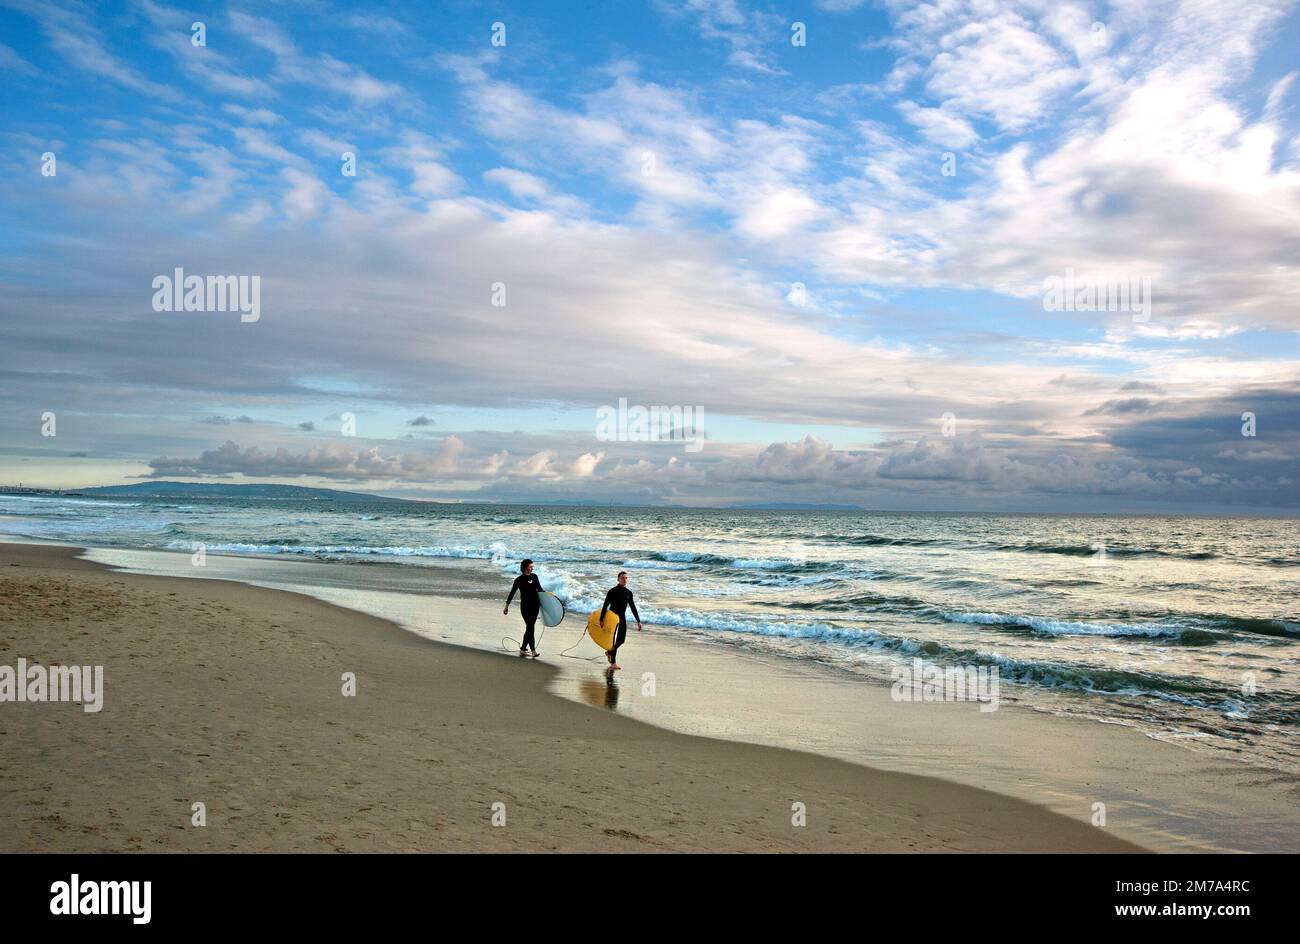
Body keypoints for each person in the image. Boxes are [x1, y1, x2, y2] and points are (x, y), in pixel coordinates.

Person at [599, 570, 642, 670]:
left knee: (621, 640)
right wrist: (602, 618)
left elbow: (633, 607)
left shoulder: (629, 593)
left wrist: (638, 621)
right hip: (612, 617)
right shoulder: (612, 591)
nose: (624, 579)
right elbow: (605, 605)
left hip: (622, 617)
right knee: (613, 640)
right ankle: (613, 663)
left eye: (626, 578)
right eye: (622, 578)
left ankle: (609, 652)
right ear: (618, 579)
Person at [504, 559, 544, 657]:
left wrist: (550, 599)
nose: (532, 568)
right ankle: (533, 651)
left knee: (530, 627)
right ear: (525, 567)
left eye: (532, 567)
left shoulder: (534, 577)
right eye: (530, 567)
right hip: (525, 607)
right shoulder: (519, 580)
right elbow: (512, 593)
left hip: (535, 605)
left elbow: (540, 589)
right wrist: (507, 606)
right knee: (530, 627)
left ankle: (523, 649)